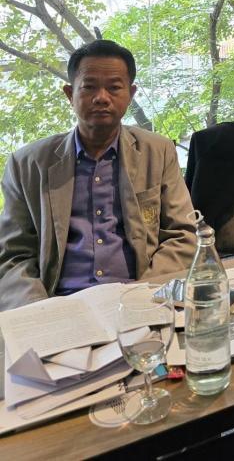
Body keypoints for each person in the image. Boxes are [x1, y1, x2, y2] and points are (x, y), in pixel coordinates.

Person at [0, 39, 196, 311]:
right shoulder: (27, 164)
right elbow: (13, 255)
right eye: (89, 87)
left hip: (139, 296)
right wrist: (39, 311)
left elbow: (182, 234)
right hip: (59, 303)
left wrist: (147, 294)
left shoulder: (158, 151)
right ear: (70, 94)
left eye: (114, 87)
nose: (102, 97)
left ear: (131, 93)